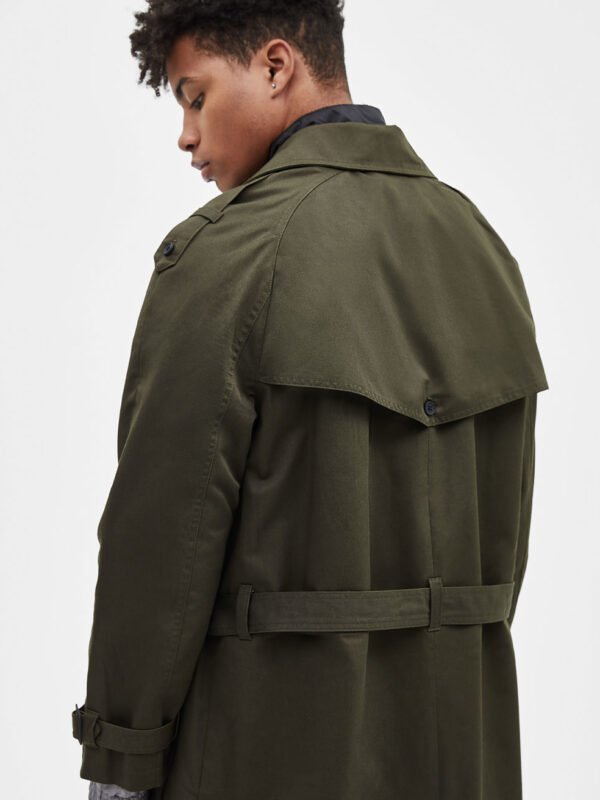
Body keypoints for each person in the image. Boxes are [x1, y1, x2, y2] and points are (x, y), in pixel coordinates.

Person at [72, 2, 549, 799]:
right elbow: (505, 539)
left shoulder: (227, 255)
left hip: (261, 756)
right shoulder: (481, 246)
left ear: (275, 65)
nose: (186, 136)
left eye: (195, 97)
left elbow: (158, 546)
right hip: (464, 758)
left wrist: (121, 756)